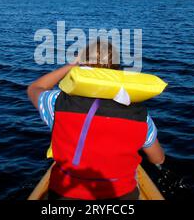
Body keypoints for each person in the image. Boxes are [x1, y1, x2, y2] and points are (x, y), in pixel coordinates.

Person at [27, 41, 165, 200]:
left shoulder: (57, 102)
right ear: (117, 70)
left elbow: (34, 88)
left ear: (83, 66)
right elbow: (158, 158)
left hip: (65, 195)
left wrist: (71, 65)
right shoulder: (140, 114)